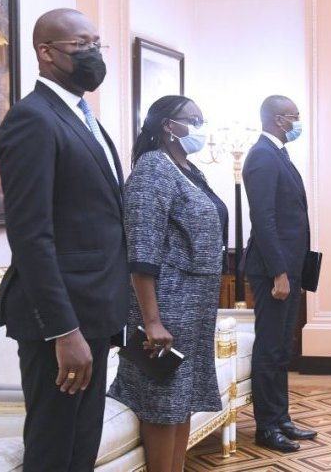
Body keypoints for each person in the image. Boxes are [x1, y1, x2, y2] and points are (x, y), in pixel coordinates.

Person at [0, 8, 129, 471]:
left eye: (96, 43)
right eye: (81, 44)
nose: (93, 53)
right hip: (60, 322)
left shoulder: (83, 117)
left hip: (95, 313)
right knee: (54, 449)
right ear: (46, 52)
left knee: (81, 447)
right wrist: (63, 330)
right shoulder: (32, 119)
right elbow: (31, 235)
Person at [108, 95, 227, 472]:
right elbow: (141, 248)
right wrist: (152, 321)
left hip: (195, 309)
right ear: (167, 125)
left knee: (181, 400)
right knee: (163, 402)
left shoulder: (189, 169)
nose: (199, 127)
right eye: (192, 119)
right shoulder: (152, 168)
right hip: (166, 307)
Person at [242, 95, 316, 452]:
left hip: (290, 266)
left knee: (282, 347)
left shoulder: (279, 154)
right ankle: (266, 427)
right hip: (274, 271)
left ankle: (281, 418)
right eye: (294, 116)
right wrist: (279, 273)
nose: (298, 122)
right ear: (277, 119)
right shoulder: (261, 156)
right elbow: (263, 219)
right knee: (270, 347)